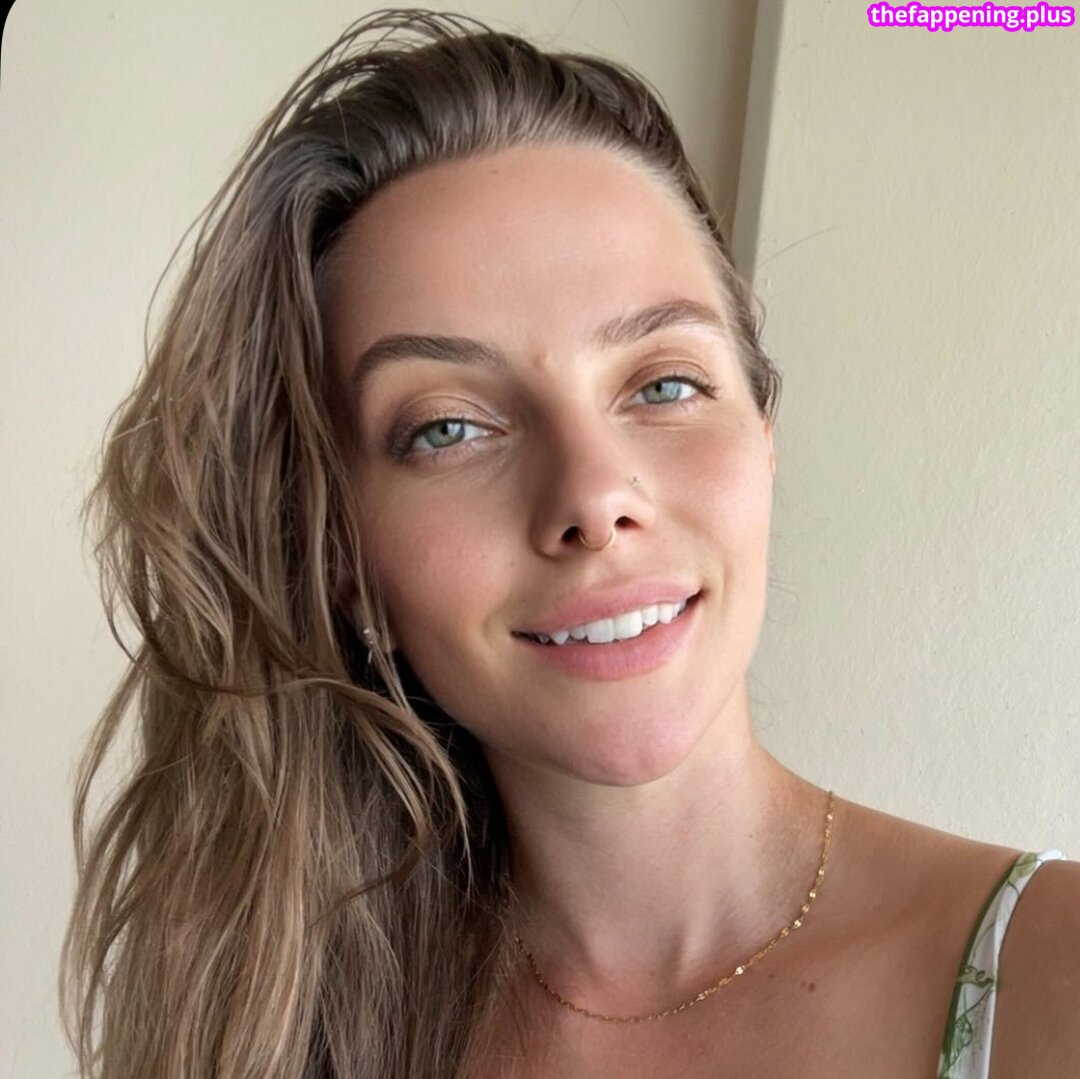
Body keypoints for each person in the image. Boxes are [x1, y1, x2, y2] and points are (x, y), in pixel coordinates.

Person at [61, 9, 1078, 1079]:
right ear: (340, 560)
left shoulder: (1052, 981)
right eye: (448, 427)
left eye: (665, 383)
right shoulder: (274, 1028)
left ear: (765, 438)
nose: (593, 496)